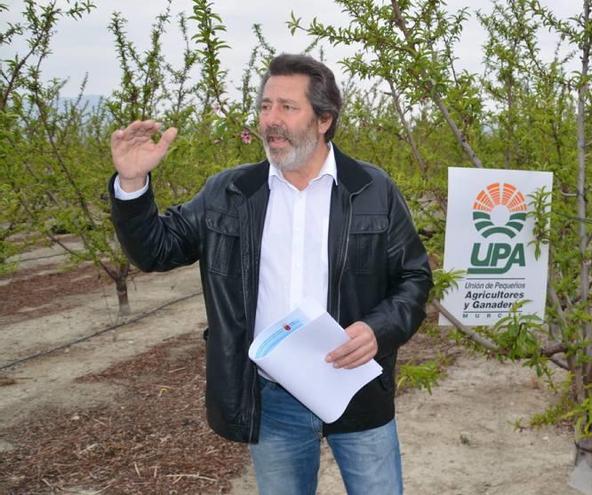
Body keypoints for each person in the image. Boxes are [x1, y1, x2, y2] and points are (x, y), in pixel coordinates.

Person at [109, 53, 432, 495]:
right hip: (272, 398)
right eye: (264, 106)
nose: (270, 120)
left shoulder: (371, 189)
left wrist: (378, 331)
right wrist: (131, 185)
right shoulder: (230, 191)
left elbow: (414, 278)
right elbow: (158, 250)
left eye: (286, 107)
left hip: (354, 387)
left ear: (323, 120)